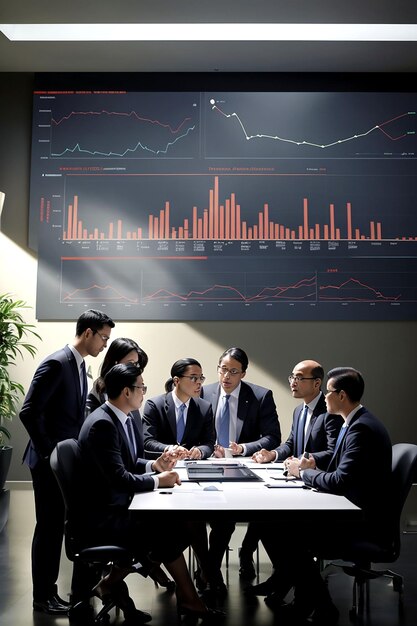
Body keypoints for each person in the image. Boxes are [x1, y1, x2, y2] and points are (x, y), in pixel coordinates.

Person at [77, 363, 223, 623]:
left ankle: (110, 583)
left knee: (171, 528)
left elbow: (130, 462)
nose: (144, 391)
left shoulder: (121, 417)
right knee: (168, 532)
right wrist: (159, 481)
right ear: (126, 391)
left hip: (117, 504)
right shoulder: (103, 424)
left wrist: (155, 465)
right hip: (105, 516)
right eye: (141, 387)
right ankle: (190, 600)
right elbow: (119, 478)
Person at [251, 367, 392, 625]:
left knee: (287, 532)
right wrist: (306, 470)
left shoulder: (361, 429)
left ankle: (317, 604)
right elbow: (340, 474)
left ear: (341, 395)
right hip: (349, 509)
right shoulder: (356, 422)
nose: (324, 397)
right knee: (272, 523)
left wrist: (303, 474)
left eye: (328, 392)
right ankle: (305, 598)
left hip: (359, 522)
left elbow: (340, 480)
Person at [19, 309, 115, 615]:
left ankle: (49, 593)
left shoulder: (78, 364)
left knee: (55, 528)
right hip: (48, 462)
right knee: (47, 529)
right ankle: (41, 597)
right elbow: (29, 411)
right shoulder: (57, 362)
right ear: (88, 333)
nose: (104, 344)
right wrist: (51, 454)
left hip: (59, 462)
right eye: (103, 337)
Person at [243, 360, 343, 581]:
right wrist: (272, 454)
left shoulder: (330, 411)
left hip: (318, 489)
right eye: (292, 377)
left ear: (317, 383)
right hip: (299, 481)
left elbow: (333, 453)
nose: (293, 382)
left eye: (299, 378)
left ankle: (284, 580)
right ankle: (281, 579)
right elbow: (290, 443)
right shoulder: (300, 410)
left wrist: (305, 461)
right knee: (263, 515)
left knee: (271, 522)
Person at [200, 347, 281, 596]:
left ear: (243, 374)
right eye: (223, 369)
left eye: (233, 371)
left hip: (244, 465)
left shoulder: (260, 396)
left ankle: (241, 554)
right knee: (221, 521)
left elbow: (273, 436)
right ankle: (211, 572)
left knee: (257, 511)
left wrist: (243, 448)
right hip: (209, 466)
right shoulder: (204, 392)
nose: (226, 376)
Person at [142, 358, 216, 460]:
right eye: (193, 378)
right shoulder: (154, 405)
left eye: (201, 378)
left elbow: (209, 442)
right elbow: (147, 441)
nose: (199, 383)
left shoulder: (205, 408)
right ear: (177, 381)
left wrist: (200, 451)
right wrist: (169, 449)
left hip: (191, 465)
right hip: (162, 465)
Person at [86, 336, 148, 415]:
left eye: (136, 364)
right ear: (115, 363)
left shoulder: (133, 391)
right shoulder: (98, 392)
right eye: (130, 363)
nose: (134, 368)